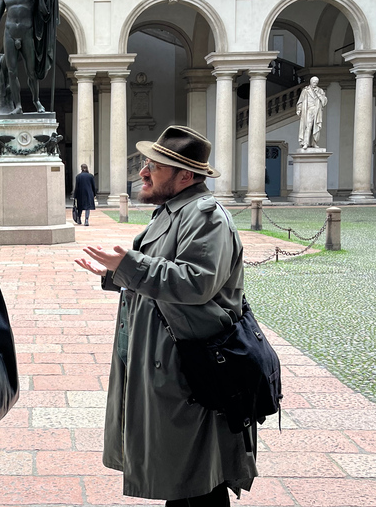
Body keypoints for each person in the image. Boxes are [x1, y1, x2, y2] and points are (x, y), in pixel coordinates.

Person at [75, 125, 257, 506]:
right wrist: (115, 273)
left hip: (191, 369)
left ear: (185, 175)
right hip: (168, 364)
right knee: (181, 475)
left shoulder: (205, 215)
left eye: (154, 166)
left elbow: (197, 281)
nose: (143, 172)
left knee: (198, 478)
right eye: (146, 163)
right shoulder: (173, 211)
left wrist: (130, 265)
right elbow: (160, 271)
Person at [0, 0, 58, 114]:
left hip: (27, 33)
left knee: (31, 72)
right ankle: (18, 106)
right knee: (12, 72)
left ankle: (36, 101)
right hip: (9, 34)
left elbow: (44, 6)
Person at [296, 76, 328, 149]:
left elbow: (324, 101)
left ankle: (314, 143)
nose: (315, 84)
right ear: (311, 82)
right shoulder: (305, 90)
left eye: (316, 82)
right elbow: (300, 101)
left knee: (316, 127)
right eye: (314, 82)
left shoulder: (320, 91)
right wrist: (299, 109)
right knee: (308, 126)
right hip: (308, 110)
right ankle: (306, 143)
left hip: (317, 111)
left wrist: (318, 94)